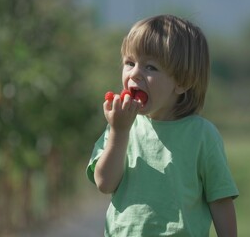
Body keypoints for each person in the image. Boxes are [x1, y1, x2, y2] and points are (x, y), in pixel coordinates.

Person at [87, 14, 239, 236]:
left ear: (182, 82)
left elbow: (220, 200)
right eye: (130, 62)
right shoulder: (121, 125)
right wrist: (119, 131)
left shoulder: (202, 135)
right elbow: (104, 183)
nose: (135, 73)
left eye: (150, 67)